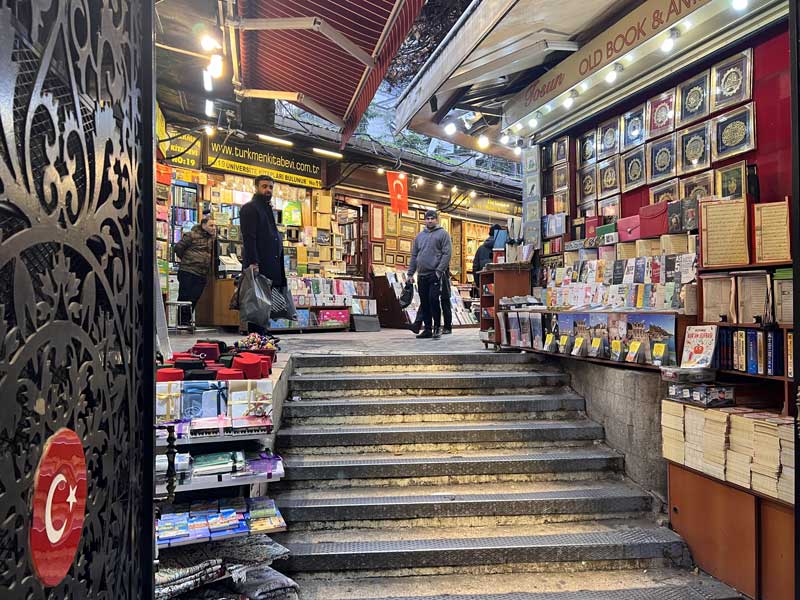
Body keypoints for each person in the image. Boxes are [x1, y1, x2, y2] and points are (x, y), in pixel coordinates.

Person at [239, 175, 287, 333]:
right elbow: (249, 238)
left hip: (270, 265)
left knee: (265, 304)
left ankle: (262, 336)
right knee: (257, 303)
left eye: (270, 187)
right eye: (264, 186)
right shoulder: (250, 208)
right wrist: (253, 263)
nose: (268, 190)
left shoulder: (267, 209)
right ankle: (257, 337)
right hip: (260, 265)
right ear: (256, 187)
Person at [407, 210, 452, 339]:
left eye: (432, 218)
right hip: (421, 275)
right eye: (427, 218)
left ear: (437, 220)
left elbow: (447, 254)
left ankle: (437, 327)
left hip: (435, 274)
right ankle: (427, 329)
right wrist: (410, 274)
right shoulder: (419, 236)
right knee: (425, 302)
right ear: (424, 220)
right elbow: (414, 255)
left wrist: (438, 271)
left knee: (434, 300)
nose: (430, 220)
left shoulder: (443, 234)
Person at [174, 217, 216, 311]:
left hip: (202, 273)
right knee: (184, 298)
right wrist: (186, 259)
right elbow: (178, 248)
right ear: (203, 225)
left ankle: (186, 321)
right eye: (211, 225)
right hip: (188, 271)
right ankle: (182, 322)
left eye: (215, 226)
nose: (214, 228)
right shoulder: (191, 235)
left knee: (195, 298)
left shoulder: (212, 239)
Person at [410, 269, 453, 335]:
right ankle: (418, 324)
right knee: (427, 300)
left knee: (444, 300)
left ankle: (447, 327)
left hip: (441, 274)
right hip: (432, 275)